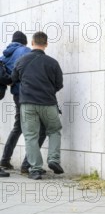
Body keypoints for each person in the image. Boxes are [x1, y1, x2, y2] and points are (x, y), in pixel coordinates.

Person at [11, 31, 64, 180]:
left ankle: (35, 169)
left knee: (30, 136)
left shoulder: (21, 61)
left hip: (27, 104)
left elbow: (14, 78)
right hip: (48, 103)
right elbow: (59, 84)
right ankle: (53, 159)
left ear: (32, 43)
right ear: (46, 44)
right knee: (54, 130)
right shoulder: (53, 62)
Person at [0, 31, 48, 175]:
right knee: (39, 129)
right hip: (28, 94)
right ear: (26, 42)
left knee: (19, 126)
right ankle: (27, 165)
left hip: (16, 94)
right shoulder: (26, 51)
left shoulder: (5, 55)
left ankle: (5, 159)